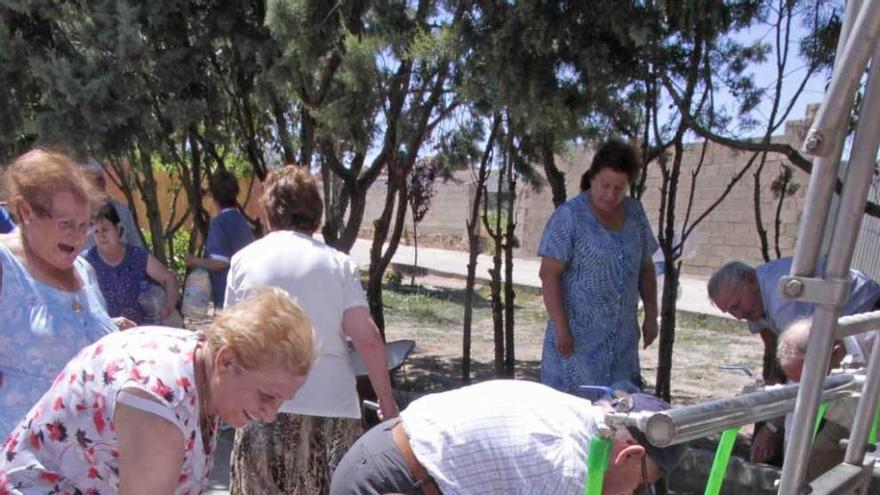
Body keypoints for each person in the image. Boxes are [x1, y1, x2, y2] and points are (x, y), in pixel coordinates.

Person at [0, 287, 314, 495]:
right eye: (267, 396)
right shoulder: (159, 405)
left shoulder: (202, 368)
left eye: (282, 401)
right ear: (227, 360)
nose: (271, 415)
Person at [225, 165, 399, 494]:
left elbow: (229, 341)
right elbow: (368, 339)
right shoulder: (338, 264)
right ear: (315, 215)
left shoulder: (244, 261)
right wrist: (387, 404)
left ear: (268, 211)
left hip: (262, 408)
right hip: (332, 409)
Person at [330, 380, 686, 495]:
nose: (633, 493)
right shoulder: (568, 468)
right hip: (391, 481)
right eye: (642, 483)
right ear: (629, 455)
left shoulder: (580, 421)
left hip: (391, 458)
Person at [707, 257, 880, 463]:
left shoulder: (784, 300)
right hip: (838, 348)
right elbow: (775, 355)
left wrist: (771, 428)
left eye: (737, 305)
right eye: (730, 311)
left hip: (866, 323)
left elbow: (800, 371)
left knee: (820, 419)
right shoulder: (754, 302)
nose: (738, 315)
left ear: (751, 279)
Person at [0, 149, 123, 437]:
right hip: (19, 462)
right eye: (65, 224)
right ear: (25, 211)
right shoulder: (5, 266)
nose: (77, 236)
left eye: (84, 226)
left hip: (89, 459)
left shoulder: (85, 270)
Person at [538, 138, 659, 392]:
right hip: (575, 344)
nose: (611, 194)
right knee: (575, 420)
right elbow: (549, 275)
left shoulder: (635, 214)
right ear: (592, 177)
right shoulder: (570, 217)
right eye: (605, 185)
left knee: (618, 415)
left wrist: (651, 315)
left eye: (619, 188)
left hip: (621, 344)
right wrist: (562, 329)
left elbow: (646, 268)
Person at [776, 318, 868, 480]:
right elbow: (793, 430)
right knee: (813, 459)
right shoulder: (807, 369)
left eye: (809, 380)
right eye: (798, 381)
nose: (803, 387)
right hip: (846, 414)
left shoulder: (872, 343)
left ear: (837, 353)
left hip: (870, 408)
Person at [85, 202, 179, 324]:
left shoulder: (136, 255)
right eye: (96, 231)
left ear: (118, 228)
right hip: (108, 330)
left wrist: (169, 306)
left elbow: (169, 278)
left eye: (105, 229)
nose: (101, 235)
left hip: (142, 328)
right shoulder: (88, 262)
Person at [187, 170, 254, 311]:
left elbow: (221, 262)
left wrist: (195, 261)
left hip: (226, 296)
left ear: (214, 197)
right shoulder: (242, 221)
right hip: (246, 293)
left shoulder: (219, 223)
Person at [82, 158, 145, 250]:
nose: (99, 184)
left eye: (100, 179)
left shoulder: (121, 212)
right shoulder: (73, 216)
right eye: (92, 181)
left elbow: (137, 249)